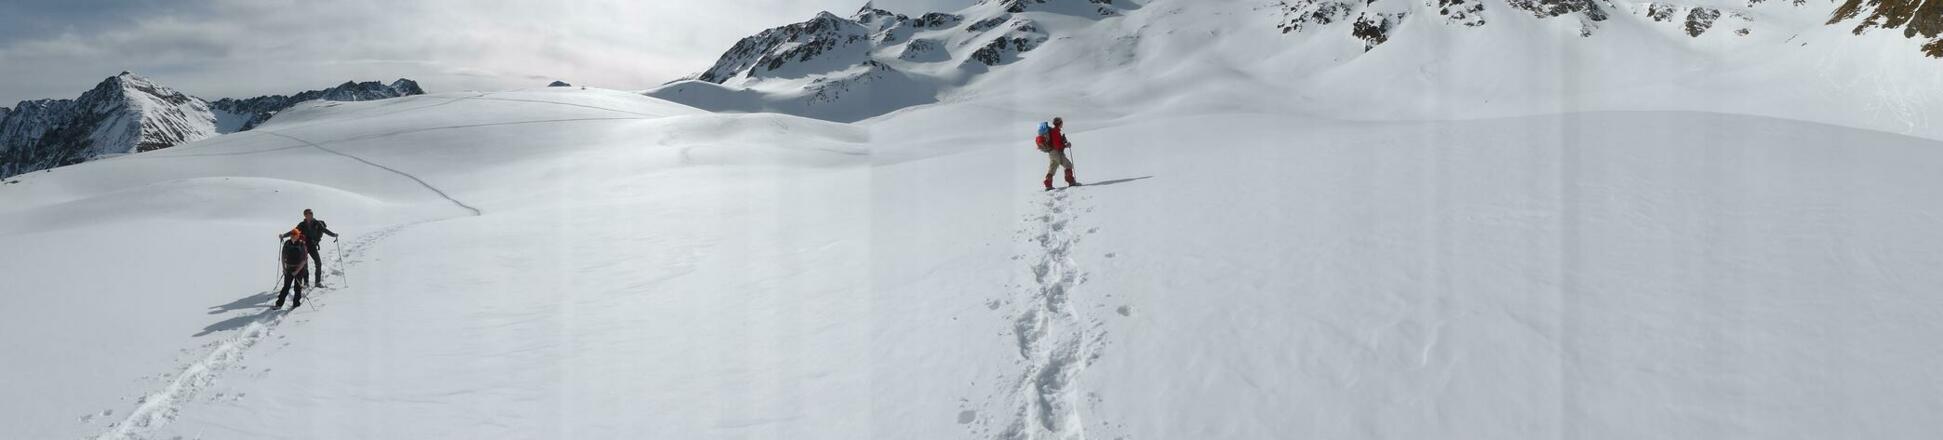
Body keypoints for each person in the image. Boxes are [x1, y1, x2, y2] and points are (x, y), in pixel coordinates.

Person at [280, 209, 339, 285]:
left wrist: (334, 235)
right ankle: (306, 282)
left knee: (318, 263)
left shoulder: (317, 223)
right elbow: (294, 232)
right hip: (303, 246)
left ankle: (317, 282)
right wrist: (283, 235)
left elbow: (324, 230)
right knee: (304, 265)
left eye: (311, 213)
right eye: (309, 213)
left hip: (312, 245)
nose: (311, 215)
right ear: (305, 215)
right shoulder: (302, 224)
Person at [1035, 117, 1080, 190]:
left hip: (1052, 153)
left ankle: (1048, 185)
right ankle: (1071, 182)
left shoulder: (1054, 131)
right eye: (1061, 122)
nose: (1062, 124)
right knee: (1068, 165)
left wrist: (1062, 140)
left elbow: (1056, 142)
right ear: (1059, 123)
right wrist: (1065, 145)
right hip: (1056, 152)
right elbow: (1056, 145)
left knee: (1052, 168)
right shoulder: (1055, 131)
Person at [277, 229, 310, 309]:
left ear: (298, 235)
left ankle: (296, 304)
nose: (293, 236)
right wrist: (284, 268)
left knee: (297, 287)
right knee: (286, 287)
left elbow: (304, 260)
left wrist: (297, 271)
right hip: (289, 268)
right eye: (292, 234)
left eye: (295, 234)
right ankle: (279, 304)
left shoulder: (302, 244)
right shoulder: (287, 243)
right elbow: (283, 256)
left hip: (299, 269)